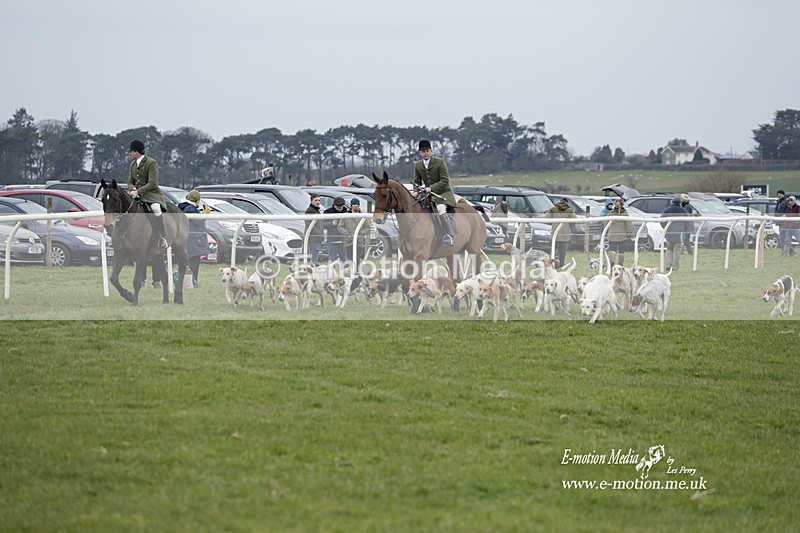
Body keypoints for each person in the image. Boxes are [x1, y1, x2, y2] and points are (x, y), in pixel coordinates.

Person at [412, 139, 457, 246]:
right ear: (420, 153)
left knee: (441, 209)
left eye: (427, 151)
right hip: (428, 195)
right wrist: (415, 191)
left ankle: (449, 235)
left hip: (443, 193)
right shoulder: (418, 165)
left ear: (431, 151)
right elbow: (416, 181)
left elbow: (445, 180)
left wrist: (431, 188)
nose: (425, 153)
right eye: (423, 151)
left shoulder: (440, 162)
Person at [127, 139, 168, 248]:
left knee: (155, 208)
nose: (129, 153)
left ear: (136, 152)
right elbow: (130, 181)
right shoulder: (133, 164)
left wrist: (138, 191)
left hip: (151, 195)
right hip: (137, 195)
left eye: (130, 151)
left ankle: (162, 237)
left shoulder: (151, 163)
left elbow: (153, 183)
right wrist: (132, 189)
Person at [178, 190, 209, 288]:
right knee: (194, 263)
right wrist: (204, 215)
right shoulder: (190, 209)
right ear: (196, 200)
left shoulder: (188, 207)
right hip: (194, 239)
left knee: (194, 262)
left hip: (193, 239)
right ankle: (192, 282)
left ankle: (193, 281)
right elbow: (198, 222)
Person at [660, 196, 691, 271]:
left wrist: (666, 228)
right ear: (680, 202)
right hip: (679, 234)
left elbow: (661, 220)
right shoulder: (683, 211)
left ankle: (668, 264)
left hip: (669, 233)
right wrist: (685, 230)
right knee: (677, 250)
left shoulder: (667, 210)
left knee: (669, 249)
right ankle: (675, 266)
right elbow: (688, 222)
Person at [543, 197, 576, 267]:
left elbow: (546, 218)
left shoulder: (553, 209)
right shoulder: (569, 210)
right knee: (563, 251)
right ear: (566, 203)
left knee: (554, 250)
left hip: (555, 234)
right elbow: (574, 220)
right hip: (565, 235)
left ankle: (554, 264)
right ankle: (561, 265)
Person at [605, 198, 635, 267]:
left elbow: (606, 224)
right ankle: (620, 266)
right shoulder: (625, 213)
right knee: (621, 252)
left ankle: (611, 266)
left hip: (612, 236)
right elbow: (629, 225)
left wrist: (605, 233)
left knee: (613, 251)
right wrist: (632, 234)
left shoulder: (611, 213)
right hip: (622, 236)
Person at [339, 197, 368, 266]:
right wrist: (347, 234)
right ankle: (350, 272)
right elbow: (340, 226)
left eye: (357, 204)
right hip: (349, 241)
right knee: (349, 259)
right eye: (354, 204)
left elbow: (367, 227)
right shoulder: (346, 215)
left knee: (357, 259)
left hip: (359, 241)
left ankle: (357, 273)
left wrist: (360, 233)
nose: (355, 206)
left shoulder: (362, 216)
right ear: (351, 205)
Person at [324, 197, 349, 264]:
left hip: (344, 239)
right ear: (334, 205)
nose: (340, 207)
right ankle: (332, 273)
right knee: (332, 259)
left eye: (341, 206)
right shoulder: (328, 212)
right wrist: (331, 223)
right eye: (338, 206)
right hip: (332, 239)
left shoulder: (347, 212)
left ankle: (344, 272)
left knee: (344, 259)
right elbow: (322, 224)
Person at [305, 194, 324, 264]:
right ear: (311, 201)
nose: (318, 202)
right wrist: (319, 234)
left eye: (319, 200)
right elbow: (310, 225)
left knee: (315, 258)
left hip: (317, 238)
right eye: (315, 200)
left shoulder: (316, 210)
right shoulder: (310, 211)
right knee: (313, 259)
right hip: (313, 238)